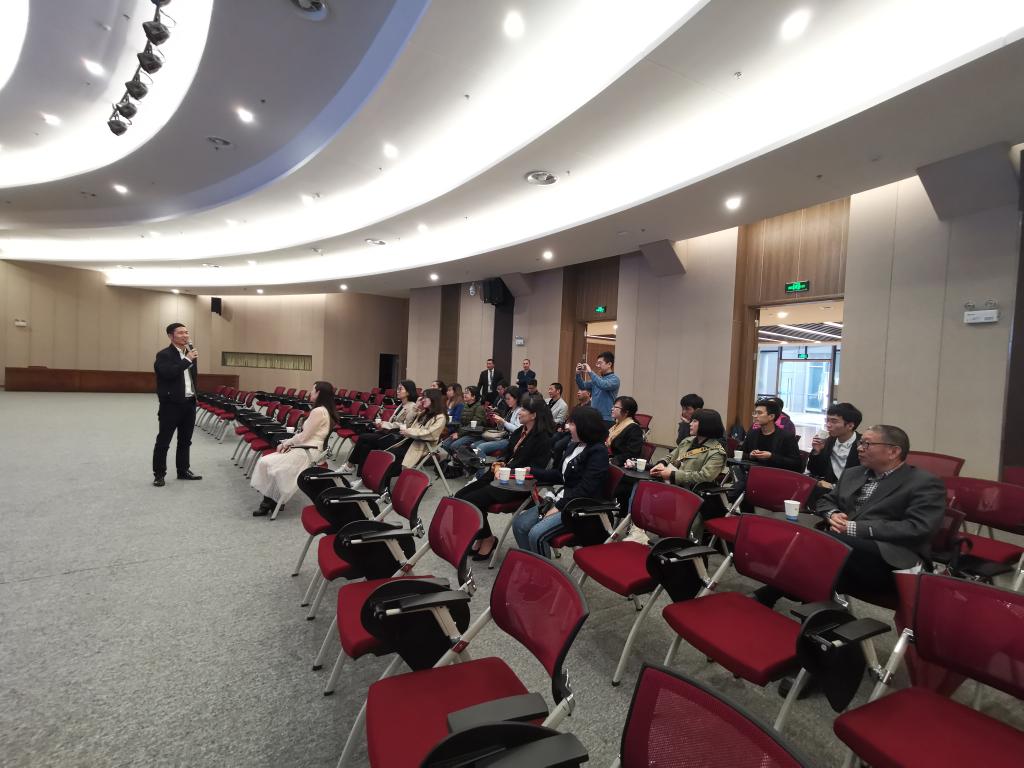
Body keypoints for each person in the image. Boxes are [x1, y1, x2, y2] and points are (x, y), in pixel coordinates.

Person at [814, 424, 945, 596]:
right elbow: (826, 501)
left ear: (893, 452)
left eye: (867, 444)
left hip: (891, 555)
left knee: (822, 545)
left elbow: (917, 527)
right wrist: (834, 514)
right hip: (849, 546)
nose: (859, 448)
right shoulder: (853, 473)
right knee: (812, 547)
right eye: (860, 442)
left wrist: (854, 528)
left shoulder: (924, 483)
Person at [455, 394, 554, 559]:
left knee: (472, 500)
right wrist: (499, 463)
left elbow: (535, 468)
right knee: (460, 497)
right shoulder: (520, 432)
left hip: (518, 484)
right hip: (501, 476)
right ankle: (482, 537)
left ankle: (487, 538)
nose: (519, 412)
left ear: (534, 415)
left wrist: (507, 469)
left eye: (524, 409)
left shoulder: (543, 438)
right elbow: (507, 454)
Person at [512, 406, 609, 556]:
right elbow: (561, 475)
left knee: (536, 534)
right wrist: (532, 470)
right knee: (519, 524)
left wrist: (558, 507)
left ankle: (542, 570)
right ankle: (532, 565)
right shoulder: (574, 445)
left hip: (579, 508)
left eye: (572, 424)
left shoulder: (598, 451)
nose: (567, 427)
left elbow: (586, 489)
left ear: (585, 427)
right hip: (563, 499)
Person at [250, 381, 336, 516]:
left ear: (319, 393)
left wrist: (286, 443)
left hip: (308, 451)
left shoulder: (319, 411)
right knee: (272, 465)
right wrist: (289, 443)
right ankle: (271, 502)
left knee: (269, 464)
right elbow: (305, 436)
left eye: (312, 390)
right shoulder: (324, 410)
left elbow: (304, 437)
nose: (310, 393)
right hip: (308, 448)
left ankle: (269, 503)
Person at [152, 322, 201, 486]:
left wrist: (195, 396)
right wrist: (187, 360)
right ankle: (159, 474)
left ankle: (183, 470)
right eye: (180, 333)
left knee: (185, 440)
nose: (185, 335)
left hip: (189, 403)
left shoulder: (189, 353)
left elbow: (192, 378)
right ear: (170, 336)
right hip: (171, 405)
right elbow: (168, 373)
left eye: (186, 332)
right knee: (164, 441)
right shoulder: (164, 355)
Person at [337, 379, 418, 474]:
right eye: (397, 389)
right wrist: (382, 425)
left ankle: (349, 465)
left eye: (401, 389)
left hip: (397, 438)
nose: (397, 391)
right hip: (388, 433)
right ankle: (362, 474)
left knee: (363, 437)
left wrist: (385, 424)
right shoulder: (401, 405)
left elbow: (406, 426)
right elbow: (393, 421)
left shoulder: (412, 407)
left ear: (408, 392)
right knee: (366, 446)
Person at [646, 408, 728, 490]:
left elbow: (704, 477)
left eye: (694, 421)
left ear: (706, 425)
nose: (690, 424)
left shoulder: (716, 453)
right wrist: (662, 463)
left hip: (691, 492)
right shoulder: (687, 441)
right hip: (671, 484)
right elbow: (671, 457)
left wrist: (672, 475)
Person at [806, 402, 862, 493]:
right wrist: (817, 452)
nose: (828, 425)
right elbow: (815, 471)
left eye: (834, 421)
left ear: (850, 425)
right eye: (827, 420)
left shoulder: (863, 445)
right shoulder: (827, 441)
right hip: (828, 491)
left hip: (852, 493)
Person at [740, 398, 803, 472]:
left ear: (771, 416)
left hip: (776, 475)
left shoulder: (787, 437)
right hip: (753, 474)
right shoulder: (752, 434)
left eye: (759, 413)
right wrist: (750, 456)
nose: (755, 416)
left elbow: (797, 465)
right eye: (755, 413)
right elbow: (740, 454)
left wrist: (771, 457)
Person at [394, 389, 448, 468]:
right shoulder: (424, 413)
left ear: (433, 399)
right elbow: (408, 423)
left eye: (425, 397)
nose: (422, 400)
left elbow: (430, 434)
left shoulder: (440, 417)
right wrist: (416, 407)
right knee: (390, 453)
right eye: (423, 397)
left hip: (422, 446)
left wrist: (409, 432)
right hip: (410, 441)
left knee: (394, 459)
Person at [472, 386, 522, 457]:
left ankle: (482, 464)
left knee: (480, 448)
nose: (507, 401)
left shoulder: (520, 411)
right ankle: (480, 462)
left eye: (509, 399)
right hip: (501, 436)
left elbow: (518, 430)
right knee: (473, 445)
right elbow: (502, 428)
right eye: (506, 399)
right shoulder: (509, 410)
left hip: (510, 439)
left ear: (516, 398)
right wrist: (498, 422)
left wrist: (503, 421)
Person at [575, 351, 620, 424]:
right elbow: (582, 386)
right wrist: (578, 374)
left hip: (606, 419)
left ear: (609, 364)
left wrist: (590, 371)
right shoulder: (597, 379)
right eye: (597, 363)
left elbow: (602, 385)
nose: (598, 366)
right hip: (593, 416)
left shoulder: (615, 379)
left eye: (600, 363)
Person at [607, 396, 644, 465]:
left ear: (626, 412)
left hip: (624, 465)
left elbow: (632, 453)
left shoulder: (634, 428)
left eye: (615, 407)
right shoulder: (616, 425)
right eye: (613, 406)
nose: (612, 409)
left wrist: (612, 461)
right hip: (613, 459)